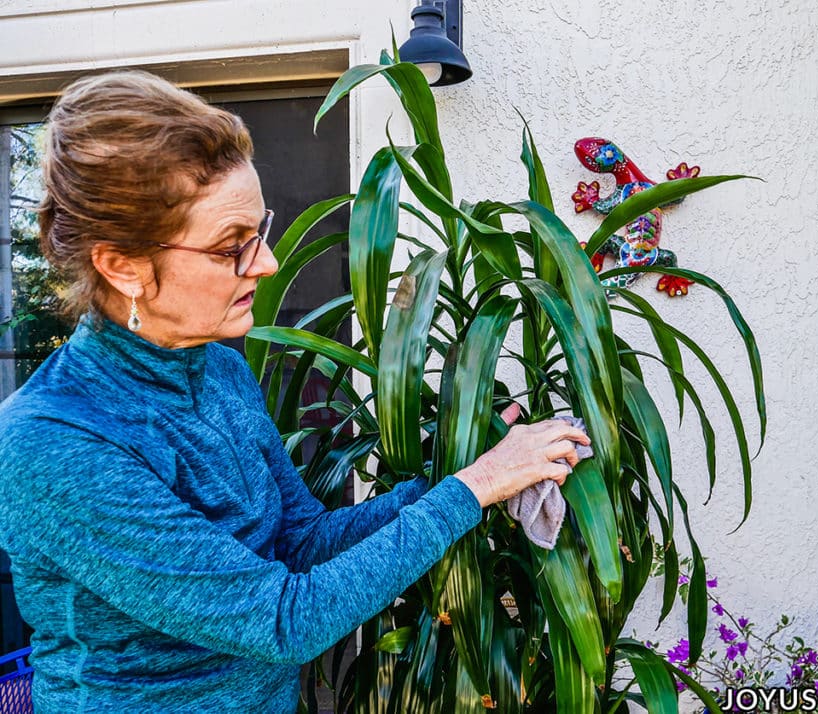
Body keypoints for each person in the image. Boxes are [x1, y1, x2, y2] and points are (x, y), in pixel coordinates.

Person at [0, 71, 590, 712]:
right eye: (231, 246)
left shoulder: (218, 371)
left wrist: (468, 474)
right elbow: (282, 621)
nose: (267, 262)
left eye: (260, 229)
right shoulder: (54, 443)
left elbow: (303, 542)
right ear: (123, 267)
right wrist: (472, 491)